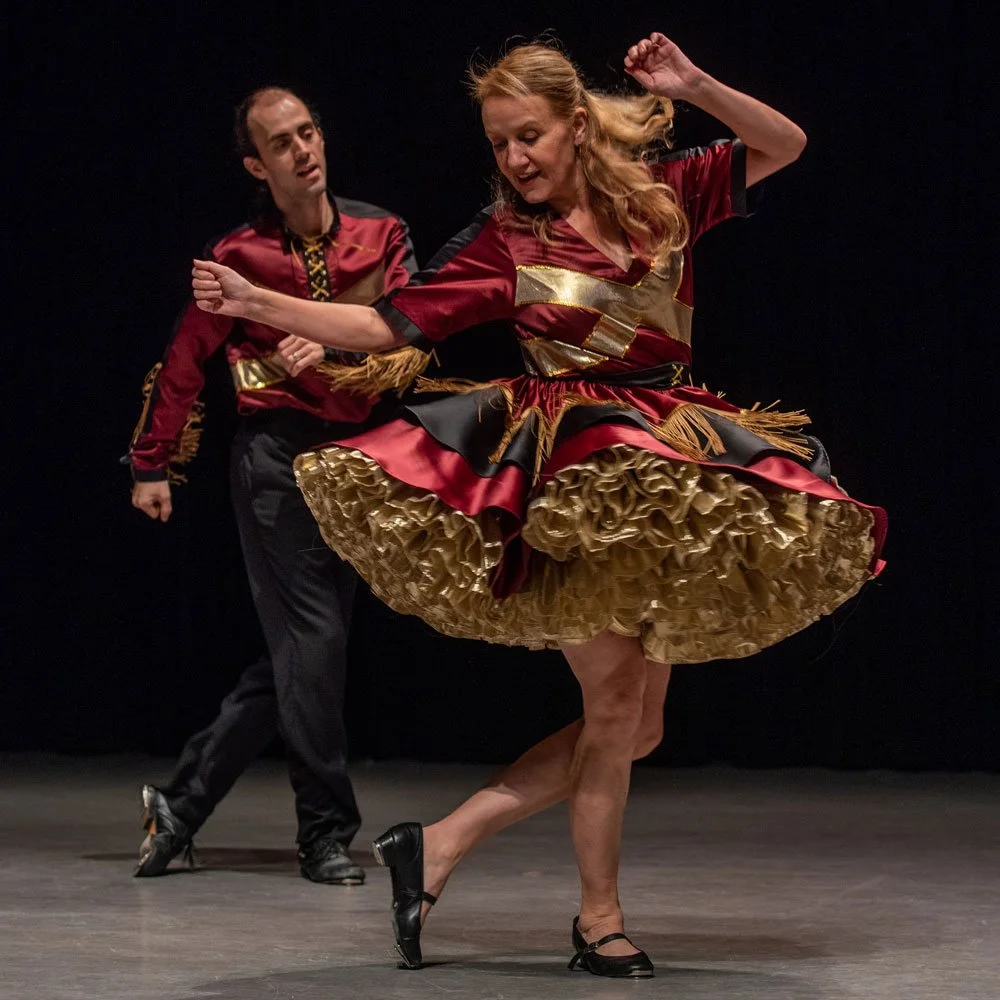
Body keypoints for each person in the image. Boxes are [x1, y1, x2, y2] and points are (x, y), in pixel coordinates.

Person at [190, 35, 887, 976]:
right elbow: (381, 325)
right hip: (576, 479)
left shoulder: (662, 197)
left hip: (670, 462)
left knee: (640, 725)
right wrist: (257, 302)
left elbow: (787, 142)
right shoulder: (503, 242)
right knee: (612, 705)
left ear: (575, 124)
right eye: (500, 144)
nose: (515, 159)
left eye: (530, 136)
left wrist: (692, 86)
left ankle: (437, 846)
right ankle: (598, 920)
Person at [126, 86, 416, 884]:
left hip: (362, 461)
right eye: (282, 142)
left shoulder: (381, 233)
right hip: (277, 462)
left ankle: (181, 804)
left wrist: (340, 358)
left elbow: (414, 344)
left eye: (309, 131)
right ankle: (325, 832)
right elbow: (184, 362)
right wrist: (154, 462)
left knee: (299, 655)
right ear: (258, 162)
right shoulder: (238, 258)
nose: (303, 149)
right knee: (313, 645)